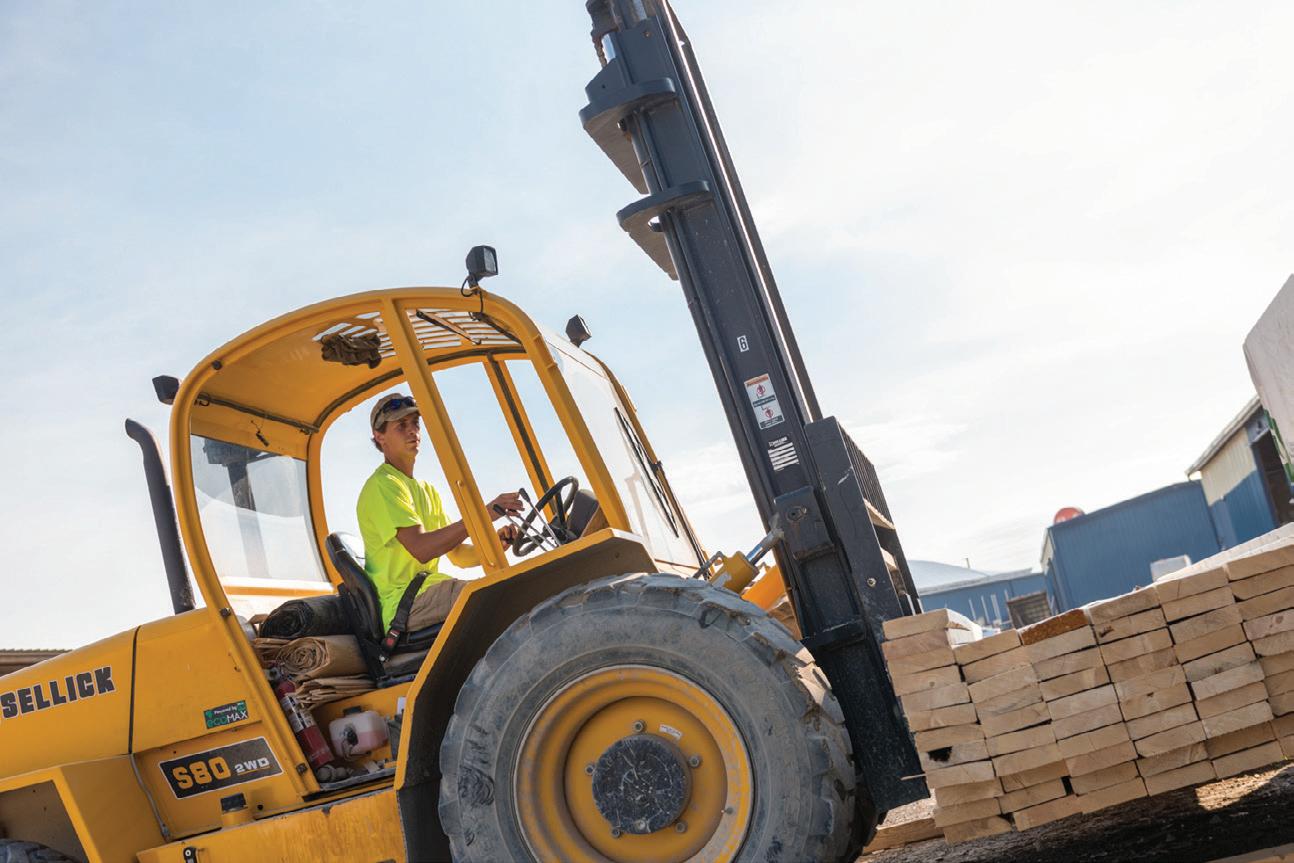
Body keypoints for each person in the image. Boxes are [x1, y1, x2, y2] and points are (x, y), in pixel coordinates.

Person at [357, 392, 523, 634]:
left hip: (428, 592)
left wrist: (497, 543)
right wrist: (483, 515)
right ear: (379, 436)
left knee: (510, 589)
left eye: (415, 423)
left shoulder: (427, 491)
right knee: (494, 599)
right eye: (401, 425)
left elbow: (458, 556)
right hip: (403, 603)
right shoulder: (384, 484)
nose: (412, 431)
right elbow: (422, 549)